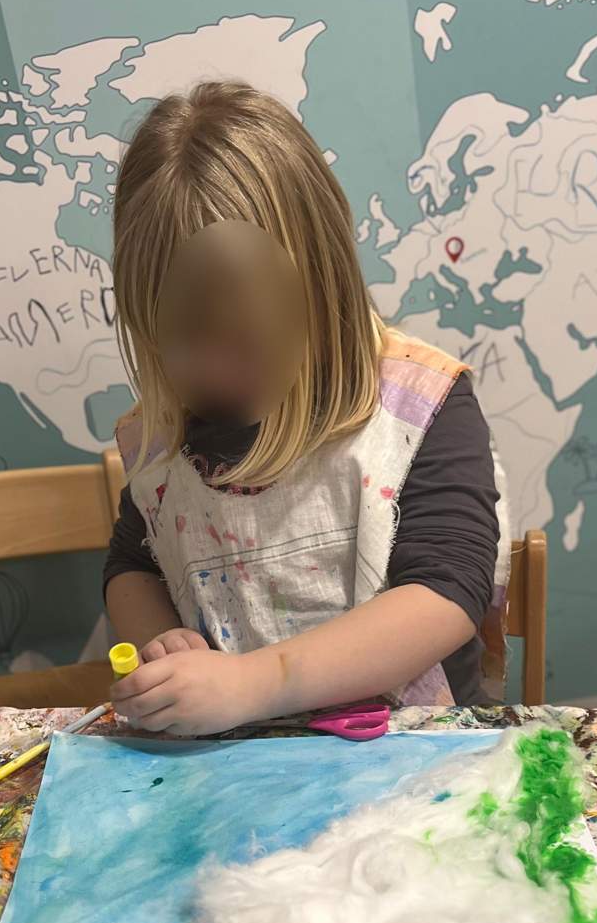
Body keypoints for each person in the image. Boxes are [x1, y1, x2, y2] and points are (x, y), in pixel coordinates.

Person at [104, 80, 511, 736]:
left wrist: (256, 682)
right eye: (181, 343)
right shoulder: (163, 437)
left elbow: (446, 591)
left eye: (242, 342)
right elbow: (132, 564)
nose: (213, 370)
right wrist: (163, 642)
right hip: (235, 761)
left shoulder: (419, 407)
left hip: (411, 755)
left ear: (323, 289)